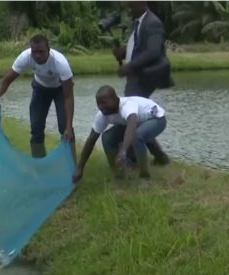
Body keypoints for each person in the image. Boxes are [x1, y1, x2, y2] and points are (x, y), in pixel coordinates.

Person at [0, 34, 75, 158]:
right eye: (34, 52)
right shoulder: (25, 57)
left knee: (64, 128)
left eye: (41, 52)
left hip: (60, 90)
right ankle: (39, 166)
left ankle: (72, 167)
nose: (37, 56)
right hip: (40, 88)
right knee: (36, 128)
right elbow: (6, 81)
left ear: (48, 49)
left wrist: (69, 126)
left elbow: (68, 96)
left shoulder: (60, 63)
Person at [113, 1, 173, 166]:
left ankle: (132, 158)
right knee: (137, 117)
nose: (128, 9)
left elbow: (153, 52)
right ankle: (159, 156)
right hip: (137, 76)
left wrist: (128, 66)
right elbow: (139, 49)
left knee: (132, 114)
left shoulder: (152, 23)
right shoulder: (137, 22)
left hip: (146, 77)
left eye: (131, 6)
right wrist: (123, 53)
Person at [72, 85, 167, 182]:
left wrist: (123, 151)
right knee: (107, 137)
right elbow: (91, 139)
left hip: (156, 119)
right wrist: (80, 167)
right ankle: (119, 174)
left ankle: (145, 177)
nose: (101, 107)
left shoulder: (127, 106)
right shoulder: (103, 115)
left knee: (137, 136)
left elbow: (131, 125)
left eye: (104, 103)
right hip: (137, 124)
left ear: (115, 99)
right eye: (98, 104)